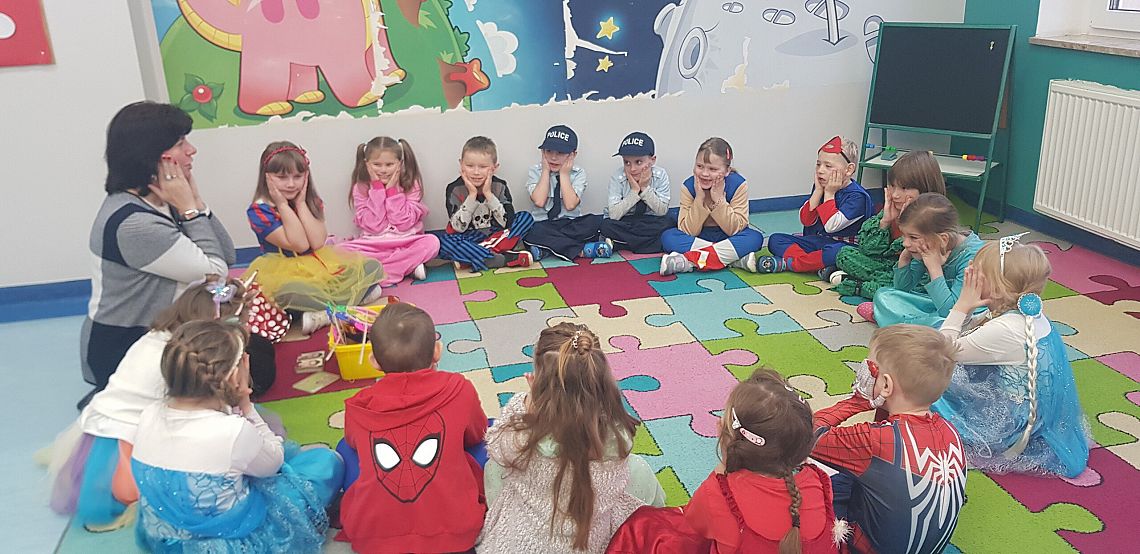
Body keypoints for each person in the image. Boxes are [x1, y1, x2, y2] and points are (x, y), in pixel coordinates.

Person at [48, 277, 255, 531]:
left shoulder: (158, 338)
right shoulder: (180, 359)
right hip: (129, 447)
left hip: (101, 432)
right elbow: (197, 413)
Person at [131, 320, 343, 553]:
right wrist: (246, 405)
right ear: (233, 376)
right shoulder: (232, 431)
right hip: (235, 542)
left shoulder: (148, 415)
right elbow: (274, 462)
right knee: (326, 461)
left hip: (171, 540)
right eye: (244, 359)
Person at [81, 101, 235, 408]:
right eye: (180, 143)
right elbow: (217, 274)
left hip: (164, 333)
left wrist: (196, 202)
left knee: (255, 355)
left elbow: (227, 253)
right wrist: (189, 210)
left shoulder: (159, 200)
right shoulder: (135, 224)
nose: (192, 150)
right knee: (249, 371)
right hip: (127, 344)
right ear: (152, 157)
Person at [607, 369, 843, 554]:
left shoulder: (718, 494)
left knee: (647, 524)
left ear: (730, 439)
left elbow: (691, 529)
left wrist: (725, 465)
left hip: (714, 510)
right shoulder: (820, 480)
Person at [478, 324, 666, 553]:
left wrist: (528, 404)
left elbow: (495, 442)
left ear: (540, 382)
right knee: (637, 468)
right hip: (590, 542)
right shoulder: (613, 433)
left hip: (520, 543)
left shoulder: (522, 435)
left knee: (495, 465)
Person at [932, 237, 1090, 478]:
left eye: (976, 273)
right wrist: (967, 310)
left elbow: (940, 350)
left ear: (997, 288)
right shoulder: (1026, 315)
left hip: (1009, 425)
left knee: (925, 377)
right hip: (1030, 412)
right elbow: (965, 335)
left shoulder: (1006, 329)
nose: (969, 276)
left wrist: (962, 305)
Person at [337, 303, 488, 552]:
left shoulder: (359, 405)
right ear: (437, 351)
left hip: (375, 536)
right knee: (490, 436)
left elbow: (353, 442)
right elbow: (476, 434)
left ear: (374, 362)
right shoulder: (459, 389)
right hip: (456, 534)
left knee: (346, 447)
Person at [812, 325, 965, 554]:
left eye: (869, 368)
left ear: (886, 384)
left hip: (863, 548)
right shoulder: (951, 431)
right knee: (852, 475)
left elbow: (805, 435)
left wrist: (857, 401)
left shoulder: (874, 440)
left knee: (810, 482)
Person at [244, 141, 385, 333]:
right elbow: (300, 245)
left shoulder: (310, 201)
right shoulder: (260, 210)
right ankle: (345, 304)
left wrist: (301, 203)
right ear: (266, 177)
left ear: (306, 176)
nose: (291, 184)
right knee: (290, 292)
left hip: (319, 264)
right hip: (284, 272)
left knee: (371, 267)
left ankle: (325, 313)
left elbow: (317, 242)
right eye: (282, 177)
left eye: (298, 176)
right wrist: (283, 205)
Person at [749, 136, 874, 276]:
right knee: (776, 240)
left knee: (836, 253)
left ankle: (789, 264)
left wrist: (829, 194)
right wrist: (818, 192)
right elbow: (806, 220)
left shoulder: (857, 197)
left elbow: (831, 226)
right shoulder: (821, 187)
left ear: (849, 170)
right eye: (818, 164)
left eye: (828, 166)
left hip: (846, 247)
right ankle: (815, 265)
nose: (820, 170)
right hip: (819, 241)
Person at [831, 151, 947, 299]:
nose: (895, 195)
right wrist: (885, 222)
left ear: (925, 189)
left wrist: (907, 224)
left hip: (916, 274)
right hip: (886, 266)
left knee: (913, 289)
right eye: (892, 186)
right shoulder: (892, 210)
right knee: (844, 254)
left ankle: (860, 286)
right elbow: (867, 249)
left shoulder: (932, 218)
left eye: (904, 188)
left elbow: (922, 267)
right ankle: (875, 283)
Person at [861, 193, 983, 326]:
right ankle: (904, 323)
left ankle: (893, 320)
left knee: (942, 322)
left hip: (967, 315)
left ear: (943, 239)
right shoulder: (930, 245)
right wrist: (904, 259)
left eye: (913, 237)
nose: (905, 243)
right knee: (884, 295)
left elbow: (952, 314)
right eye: (904, 236)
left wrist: (934, 268)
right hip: (939, 306)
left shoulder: (972, 258)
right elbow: (902, 289)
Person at [337, 136, 441, 284]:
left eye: (389, 164)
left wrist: (392, 191)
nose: (383, 170)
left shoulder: (411, 183)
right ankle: (407, 267)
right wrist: (377, 189)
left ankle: (379, 273)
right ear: (367, 164)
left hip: (406, 242)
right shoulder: (361, 187)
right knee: (339, 251)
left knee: (432, 242)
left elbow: (403, 223)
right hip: (374, 244)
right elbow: (374, 226)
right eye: (377, 165)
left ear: (400, 164)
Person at [659, 138, 763, 276]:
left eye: (713, 169)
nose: (704, 173)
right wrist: (699, 199)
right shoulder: (688, 186)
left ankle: (688, 261)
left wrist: (719, 200)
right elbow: (687, 231)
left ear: (727, 171)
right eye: (700, 166)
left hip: (728, 237)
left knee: (755, 238)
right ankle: (732, 260)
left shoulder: (739, 184)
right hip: (700, 237)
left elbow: (735, 229)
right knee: (668, 237)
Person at [436, 136, 537, 270]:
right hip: (468, 236)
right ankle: (503, 258)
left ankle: (476, 255)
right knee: (443, 242)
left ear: (494, 168)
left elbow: (507, 223)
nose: (476, 172)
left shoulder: (500, 186)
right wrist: (472, 196)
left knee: (525, 217)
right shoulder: (454, 188)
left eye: (483, 167)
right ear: (461, 164)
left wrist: (489, 194)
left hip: (497, 234)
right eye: (470, 166)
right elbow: (458, 228)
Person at [524, 125, 612, 261]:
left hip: (570, 224)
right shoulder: (535, 171)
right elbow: (539, 201)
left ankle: (546, 249)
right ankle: (582, 250)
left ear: (572, 155)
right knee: (530, 230)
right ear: (542, 152)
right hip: (543, 224)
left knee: (596, 221)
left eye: (560, 153)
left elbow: (570, 205)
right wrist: (546, 171)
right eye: (548, 151)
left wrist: (564, 174)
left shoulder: (578, 173)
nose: (553, 157)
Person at [598, 132, 674, 254]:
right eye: (627, 162)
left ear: (652, 160)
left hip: (649, 221)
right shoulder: (618, 177)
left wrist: (644, 188)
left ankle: (621, 243)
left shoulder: (660, 175)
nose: (632, 169)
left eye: (638, 162)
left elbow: (661, 211)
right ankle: (651, 244)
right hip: (626, 221)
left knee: (669, 222)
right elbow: (614, 215)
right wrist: (634, 191)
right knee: (606, 225)